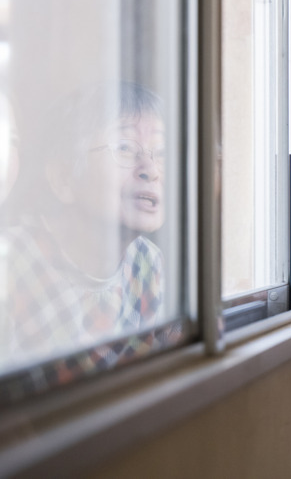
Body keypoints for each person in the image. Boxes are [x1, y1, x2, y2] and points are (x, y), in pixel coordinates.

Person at [0, 81, 170, 382]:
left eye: (161, 152)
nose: (151, 169)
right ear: (64, 178)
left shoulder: (147, 263)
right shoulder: (11, 262)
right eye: (125, 148)